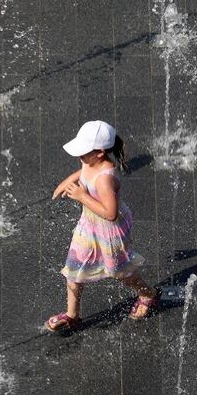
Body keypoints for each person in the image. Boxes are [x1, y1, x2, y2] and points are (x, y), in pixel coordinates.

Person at [46, 120, 159, 332]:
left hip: (110, 231)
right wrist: (67, 181)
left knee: (119, 270)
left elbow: (110, 213)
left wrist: (81, 196)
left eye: (83, 151)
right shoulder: (89, 162)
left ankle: (148, 293)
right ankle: (72, 315)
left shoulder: (105, 179)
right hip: (89, 224)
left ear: (99, 152)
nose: (80, 156)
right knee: (73, 268)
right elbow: (82, 172)